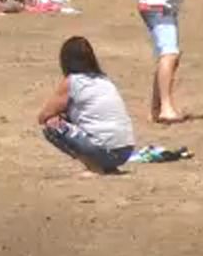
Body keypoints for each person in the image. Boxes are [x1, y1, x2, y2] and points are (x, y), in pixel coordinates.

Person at [37, 36, 135, 173]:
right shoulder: (104, 79)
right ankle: (109, 168)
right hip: (126, 150)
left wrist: (62, 116)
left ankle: (93, 167)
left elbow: (44, 116)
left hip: (102, 150)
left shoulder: (73, 81)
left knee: (52, 126)